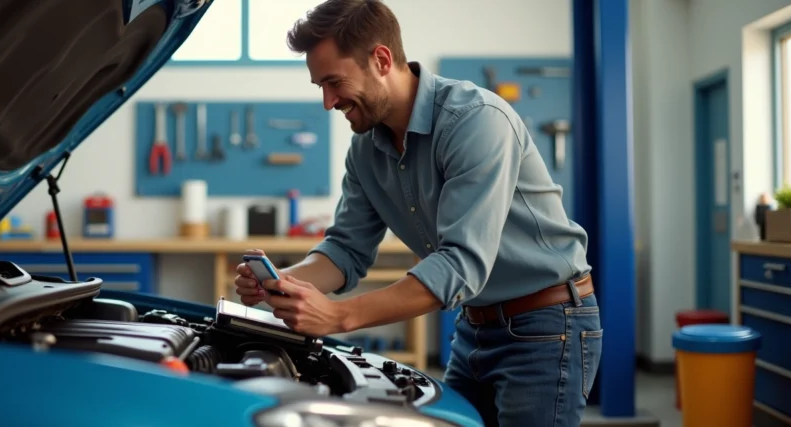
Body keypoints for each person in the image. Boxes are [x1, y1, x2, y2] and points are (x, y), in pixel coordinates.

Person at [232, 0, 601, 425]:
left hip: (546, 324)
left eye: (334, 82)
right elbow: (346, 249)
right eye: (320, 86)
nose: (327, 102)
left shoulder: (476, 121)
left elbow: (460, 263)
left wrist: (339, 316)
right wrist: (281, 284)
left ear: (381, 60)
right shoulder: (366, 150)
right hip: (474, 326)